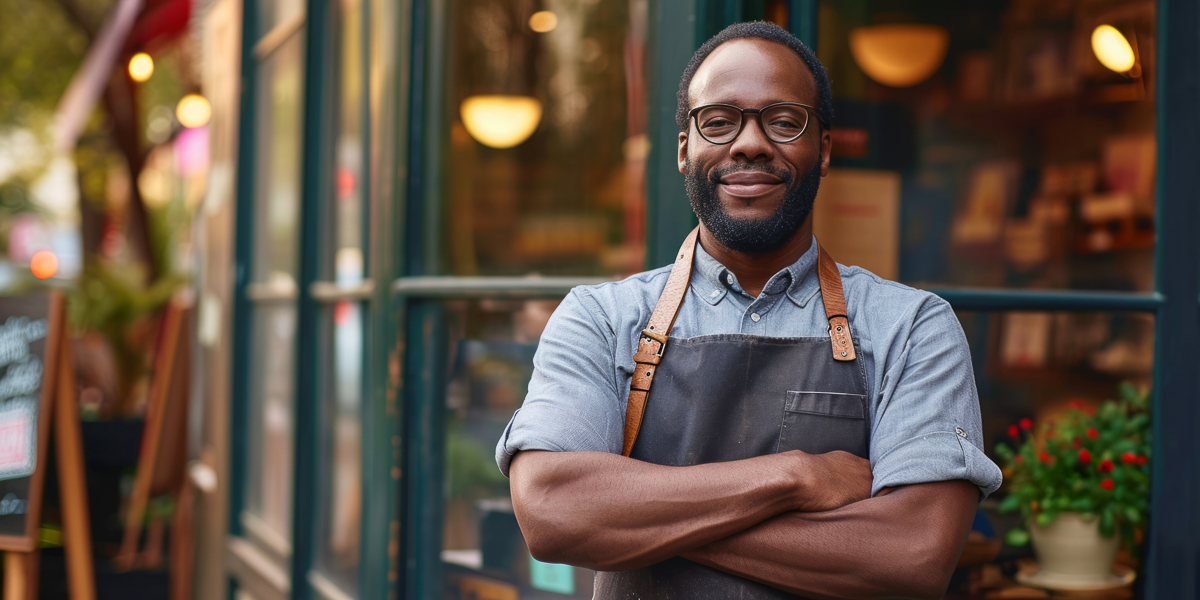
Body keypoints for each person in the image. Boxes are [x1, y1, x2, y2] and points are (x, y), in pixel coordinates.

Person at [495, 21, 1002, 599]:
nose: (751, 143)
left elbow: (911, 556)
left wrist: (630, 518)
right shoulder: (601, 318)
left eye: (784, 122)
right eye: (718, 121)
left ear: (825, 149)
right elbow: (553, 512)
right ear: (685, 148)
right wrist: (798, 476)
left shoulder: (912, 328)